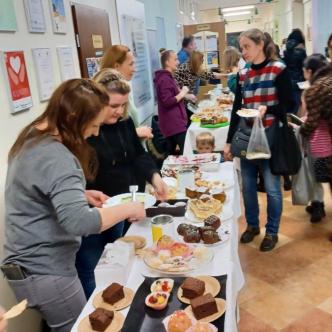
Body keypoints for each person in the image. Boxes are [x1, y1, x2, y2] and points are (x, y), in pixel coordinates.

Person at [2, 79, 146, 332]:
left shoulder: (34, 135)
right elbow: (80, 222)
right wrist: (130, 208)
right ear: (73, 118)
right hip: (45, 270)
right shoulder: (58, 157)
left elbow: (41, 189)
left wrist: (79, 194)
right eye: (93, 125)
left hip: (26, 268)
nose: (95, 133)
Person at [76, 69, 167, 299]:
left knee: (120, 260)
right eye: (114, 105)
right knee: (92, 268)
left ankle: (121, 301)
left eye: (123, 105)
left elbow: (138, 155)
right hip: (95, 212)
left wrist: (154, 176)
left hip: (122, 207)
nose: (120, 111)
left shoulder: (124, 123)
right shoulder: (86, 131)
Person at [224, 28, 293, 251]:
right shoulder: (243, 74)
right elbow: (237, 108)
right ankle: (252, 225)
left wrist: (268, 108)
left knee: (272, 188)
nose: (244, 52)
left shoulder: (278, 69)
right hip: (246, 137)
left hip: (270, 137)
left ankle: (272, 231)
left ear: (260, 44)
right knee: (247, 187)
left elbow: (289, 105)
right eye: (241, 47)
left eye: (247, 47)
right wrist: (228, 142)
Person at [101, 45, 153, 140]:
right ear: (116, 66)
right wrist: (135, 132)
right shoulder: (106, 94)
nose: (134, 69)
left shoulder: (124, 92)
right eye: (131, 64)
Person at [300, 54, 329, 222]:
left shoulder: (314, 90)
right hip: (326, 138)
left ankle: (318, 205)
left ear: (309, 71)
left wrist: (302, 127)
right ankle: (318, 203)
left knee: (314, 172)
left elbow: (313, 118)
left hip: (320, 140)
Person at [154, 50, 191, 155]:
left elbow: (174, 96)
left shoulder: (168, 78)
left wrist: (185, 95)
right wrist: (183, 92)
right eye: (175, 59)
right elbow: (167, 101)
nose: (178, 62)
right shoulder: (164, 79)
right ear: (167, 62)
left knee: (171, 155)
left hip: (174, 124)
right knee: (186, 154)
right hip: (174, 125)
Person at [283, 29, 307, 114]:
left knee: (290, 106)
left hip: (288, 81)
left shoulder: (285, 51)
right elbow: (305, 66)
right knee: (298, 105)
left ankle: (290, 122)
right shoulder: (301, 52)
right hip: (299, 83)